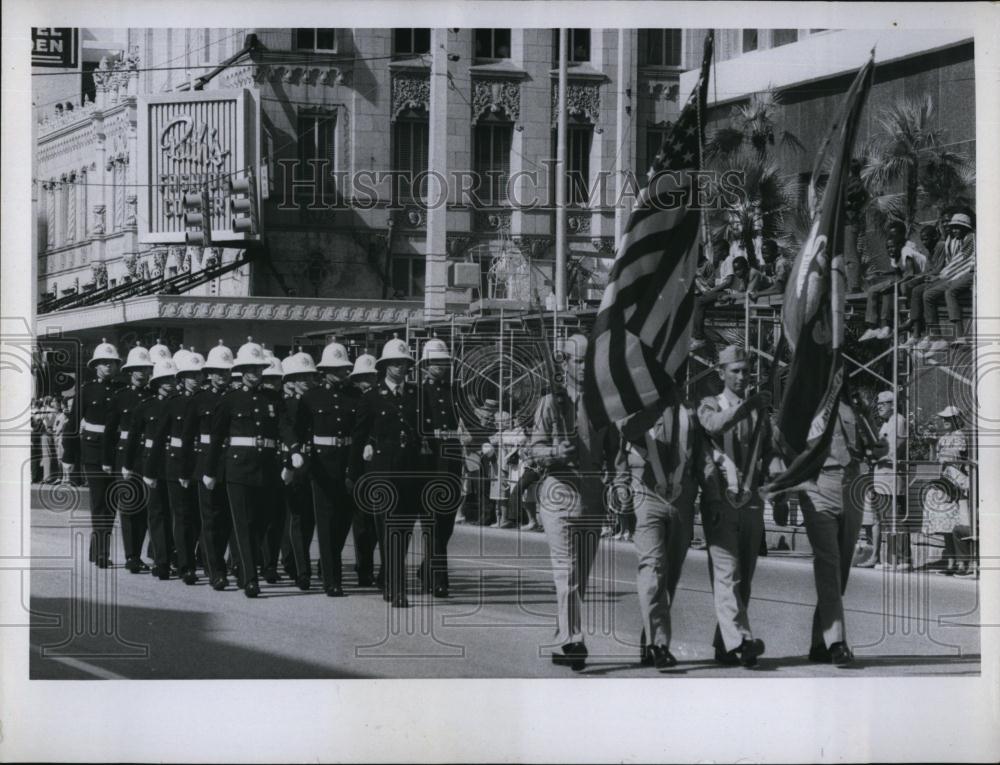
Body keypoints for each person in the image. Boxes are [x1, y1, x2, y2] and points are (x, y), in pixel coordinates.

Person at [528, 334, 613, 671]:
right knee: (567, 573)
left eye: (588, 362)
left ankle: (561, 636)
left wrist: (616, 477)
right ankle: (574, 641)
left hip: (591, 497)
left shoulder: (601, 405)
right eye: (578, 362)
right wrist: (554, 453)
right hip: (558, 494)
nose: (584, 368)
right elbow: (533, 448)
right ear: (564, 363)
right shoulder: (552, 403)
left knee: (581, 575)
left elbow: (612, 449)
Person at [620, 400, 716, 671]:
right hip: (648, 495)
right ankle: (659, 645)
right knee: (652, 567)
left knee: (669, 577)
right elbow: (626, 431)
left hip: (682, 501)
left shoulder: (690, 416)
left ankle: (649, 637)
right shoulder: (639, 409)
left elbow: (702, 458)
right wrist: (655, 406)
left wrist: (713, 496)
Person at [204, 338, 298, 598]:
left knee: (260, 523)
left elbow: (284, 427)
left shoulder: (273, 398)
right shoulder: (229, 400)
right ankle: (250, 578)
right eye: (250, 369)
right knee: (243, 524)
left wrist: (294, 450)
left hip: (266, 468)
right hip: (238, 469)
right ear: (241, 370)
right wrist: (210, 471)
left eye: (259, 369)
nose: (255, 374)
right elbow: (216, 438)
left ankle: (243, 567)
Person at [696, 345, 770, 668]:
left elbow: (770, 451)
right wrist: (747, 408)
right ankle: (741, 640)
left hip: (752, 502)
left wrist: (778, 488)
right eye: (735, 371)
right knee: (727, 576)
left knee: (745, 579)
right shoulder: (709, 405)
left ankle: (724, 645)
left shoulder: (758, 411)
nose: (742, 376)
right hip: (720, 500)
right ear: (721, 372)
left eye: (746, 370)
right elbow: (714, 426)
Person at [350, 335, 422, 608]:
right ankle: (396, 586)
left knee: (403, 532)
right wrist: (354, 473)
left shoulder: (416, 396)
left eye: (404, 363)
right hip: (382, 471)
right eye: (395, 363)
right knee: (386, 530)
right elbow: (359, 437)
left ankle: (391, 580)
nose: (400, 368)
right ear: (385, 366)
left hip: (410, 472)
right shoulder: (371, 398)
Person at [799, 394, 866, 668]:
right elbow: (790, 449)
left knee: (840, 572)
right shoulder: (805, 405)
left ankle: (819, 643)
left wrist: (876, 444)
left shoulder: (853, 408)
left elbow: (872, 446)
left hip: (852, 488)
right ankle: (837, 642)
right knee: (829, 563)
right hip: (820, 486)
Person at [294, 340, 357, 597]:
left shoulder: (355, 396)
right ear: (325, 370)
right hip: (322, 464)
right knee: (326, 522)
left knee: (343, 521)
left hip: (348, 461)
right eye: (337, 368)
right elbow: (300, 431)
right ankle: (333, 579)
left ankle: (327, 563)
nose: (343, 372)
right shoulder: (311, 397)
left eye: (345, 368)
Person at [60, 339, 122, 568]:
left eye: (112, 363)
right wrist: (69, 456)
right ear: (95, 366)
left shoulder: (121, 390)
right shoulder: (87, 390)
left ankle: (97, 550)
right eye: (103, 363)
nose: (108, 367)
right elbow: (73, 424)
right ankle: (102, 552)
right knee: (98, 503)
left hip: (115, 452)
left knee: (112, 502)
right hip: (93, 453)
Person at [416, 337, 470, 597]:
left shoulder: (453, 391)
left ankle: (427, 567)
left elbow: (468, 420)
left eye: (444, 362)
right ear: (425, 364)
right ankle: (439, 580)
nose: (441, 366)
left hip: (451, 458)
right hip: (430, 459)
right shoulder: (418, 393)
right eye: (436, 362)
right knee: (432, 521)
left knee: (446, 522)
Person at [103, 342, 158, 572]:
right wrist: (107, 460)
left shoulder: (154, 396)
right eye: (138, 369)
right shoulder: (120, 397)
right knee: (128, 506)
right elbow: (110, 430)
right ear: (129, 371)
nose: (142, 373)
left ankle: (140, 553)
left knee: (145, 506)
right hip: (124, 455)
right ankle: (131, 556)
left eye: (146, 369)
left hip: (146, 455)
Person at [126, 357, 179, 581]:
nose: (169, 383)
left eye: (172, 378)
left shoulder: (181, 405)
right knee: (157, 513)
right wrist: (129, 465)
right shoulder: (145, 407)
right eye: (164, 379)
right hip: (152, 464)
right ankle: (161, 561)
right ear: (156, 382)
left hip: (176, 461)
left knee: (175, 512)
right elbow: (133, 438)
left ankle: (173, 556)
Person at [191, 341, 234, 590]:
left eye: (226, 371)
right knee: (209, 519)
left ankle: (219, 562)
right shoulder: (199, 399)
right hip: (206, 461)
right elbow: (188, 435)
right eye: (217, 371)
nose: (222, 376)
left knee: (227, 519)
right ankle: (214, 569)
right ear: (208, 374)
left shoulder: (234, 398)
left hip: (231, 461)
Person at [162, 349, 206, 585]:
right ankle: (185, 565)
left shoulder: (209, 400)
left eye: (199, 375)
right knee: (182, 516)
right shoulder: (173, 404)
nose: (196, 379)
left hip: (202, 462)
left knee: (199, 517)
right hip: (178, 462)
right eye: (191, 375)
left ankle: (198, 556)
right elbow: (162, 435)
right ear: (181, 379)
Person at [917, 212, 976, 352]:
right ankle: (935, 337)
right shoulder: (957, 240)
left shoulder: (971, 239)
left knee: (950, 292)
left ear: (965, 228)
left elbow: (962, 262)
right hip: (957, 274)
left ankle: (960, 335)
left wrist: (940, 276)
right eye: (953, 227)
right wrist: (940, 277)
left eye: (957, 227)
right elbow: (956, 264)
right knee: (928, 294)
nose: (954, 230)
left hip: (972, 273)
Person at [859, 221, 925, 342]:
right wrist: (889, 282)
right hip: (907, 278)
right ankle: (872, 326)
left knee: (890, 289)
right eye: (890, 235)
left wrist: (894, 285)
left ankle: (886, 325)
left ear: (901, 237)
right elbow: (898, 276)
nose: (891, 238)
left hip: (919, 278)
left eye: (895, 235)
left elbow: (911, 273)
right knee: (873, 290)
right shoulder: (894, 253)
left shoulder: (907, 249)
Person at [866, 391, 909, 570]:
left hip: (891, 478)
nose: (879, 406)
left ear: (893, 404)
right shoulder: (886, 423)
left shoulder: (898, 421)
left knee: (895, 519)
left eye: (884, 403)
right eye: (878, 404)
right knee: (885, 519)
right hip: (881, 476)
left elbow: (893, 450)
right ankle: (891, 559)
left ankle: (903, 559)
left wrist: (872, 455)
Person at [348, 351, 380, 587]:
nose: (368, 381)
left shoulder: (381, 398)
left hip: (378, 465)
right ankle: (364, 567)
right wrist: (352, 471)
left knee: (376, 522)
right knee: (360, 524)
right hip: (355, 466)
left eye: (372, 376)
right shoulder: (351, 399)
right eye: (364, 377)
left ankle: (369, 565)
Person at [928, 406, 972, 576]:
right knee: (945, 523)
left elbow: (957, 458)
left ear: (956, 419)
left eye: (949, 418)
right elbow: (934, 461)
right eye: (944, 418)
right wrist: (932, 445)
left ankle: (962, 563)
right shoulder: (943, 438)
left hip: (957, 483)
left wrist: (942, 457)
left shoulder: (960, 436)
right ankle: (952, 562)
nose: (945, 421)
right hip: (943, 482)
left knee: (958, 522)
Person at [691, 257, 758, 350]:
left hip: (727, 293)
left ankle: (698, 337)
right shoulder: (720, 265)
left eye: (717, 250)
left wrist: (712, 291)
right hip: (723, 292)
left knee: (699, 302)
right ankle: (700, 335)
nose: (737, 272)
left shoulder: (730, 261)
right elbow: (713, 282)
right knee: (696, 301)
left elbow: (730, 283)